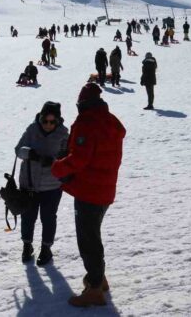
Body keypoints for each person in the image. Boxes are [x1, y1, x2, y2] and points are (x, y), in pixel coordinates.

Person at [51, 84, 125, 307]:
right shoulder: (110, 121)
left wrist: (58, 168)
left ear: (82, 103)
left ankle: (94, 287)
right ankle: (99, 279)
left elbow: (79, 159)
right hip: (105, 189)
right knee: (93, 235)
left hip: (89, 191)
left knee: (88, 240)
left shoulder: (87, 122)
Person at [15, 102, 69, 266]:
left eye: (52, 122)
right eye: (45, 121)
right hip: (29, 183)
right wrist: (30, 153)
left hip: (52, 186)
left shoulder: (64, 135)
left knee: (48, 218)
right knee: (27, 217)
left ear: (58, 121)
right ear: (40, 118)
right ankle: (27, 246)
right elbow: (18, 150)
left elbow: (67, 159)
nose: (48, 125)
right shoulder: (32, 130)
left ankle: (46, 249)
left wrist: (52, 161)